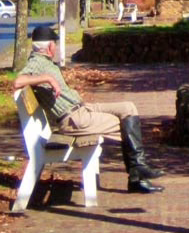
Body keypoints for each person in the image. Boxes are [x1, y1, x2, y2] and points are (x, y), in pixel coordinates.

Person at [13, 24, 163, 194]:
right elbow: (17, 82)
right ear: (49, 47)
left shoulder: (44, 62)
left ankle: (138, 170)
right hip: (74, 119)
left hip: (81, 110)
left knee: (128, 109)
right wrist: (47, 78)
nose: (55, 47)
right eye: (54, 43)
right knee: (126, 124)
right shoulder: (37, 63)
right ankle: (137, 176)